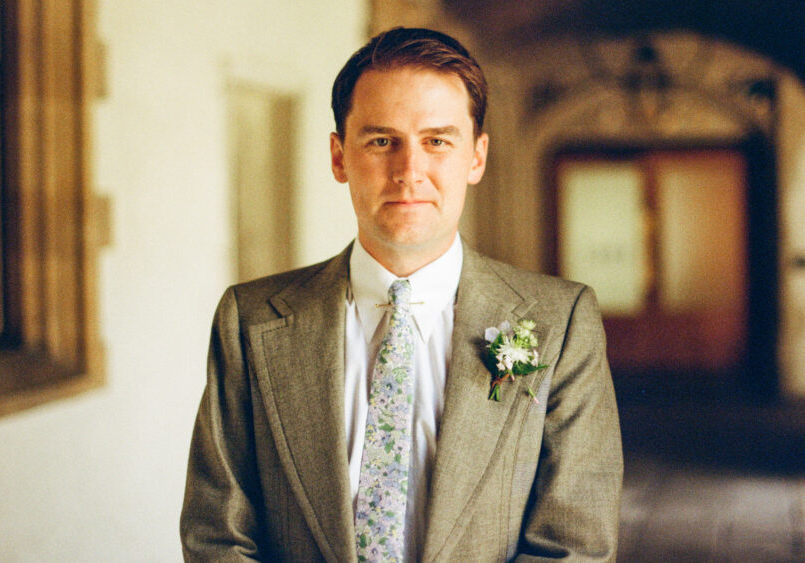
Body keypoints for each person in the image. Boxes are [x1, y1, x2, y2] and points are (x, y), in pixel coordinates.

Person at [180, 27, 622, 562]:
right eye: (381, 140)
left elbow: (573, 542)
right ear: (340, 157)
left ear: (476, 157)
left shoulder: (561, 322)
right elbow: (217, 533)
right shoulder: (249, 321)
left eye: (437, 140)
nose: (409, 171)